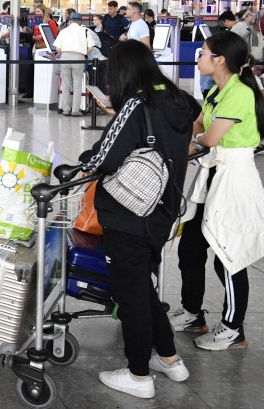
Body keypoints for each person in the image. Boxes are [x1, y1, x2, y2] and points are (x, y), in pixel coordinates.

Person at [78, 39, 200, 399]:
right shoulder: (179, 101)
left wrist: (84, 160)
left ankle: (138, 374)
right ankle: (170, 358)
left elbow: (103, 159)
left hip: (128, 213)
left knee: (129, 293)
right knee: (141, 286)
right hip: (162, 212)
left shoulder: (136, 105)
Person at [173, 31, 264, 352]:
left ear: (219, 59)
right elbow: (198, 127)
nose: (199, 56)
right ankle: (193, 313)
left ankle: (234, 328)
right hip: (211, 175)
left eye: (204, 52)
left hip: (233, 178)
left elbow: (209, 138)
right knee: (190, 246)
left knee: (227, 255)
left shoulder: (240, 93)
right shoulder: (216, 91)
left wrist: (187, 141)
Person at [51, 12, 93, 117]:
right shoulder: (86, 31)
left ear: (70, 21)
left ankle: (66, 109)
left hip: (65, 57)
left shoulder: (64, 31)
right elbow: (91, 47)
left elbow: (57, 48)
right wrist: (84, 53)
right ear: (80, 22)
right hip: (78, 58)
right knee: (77, 85)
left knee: (65, 84)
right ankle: (75, 110)